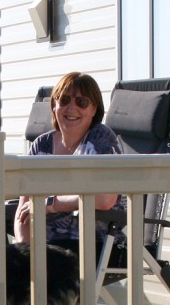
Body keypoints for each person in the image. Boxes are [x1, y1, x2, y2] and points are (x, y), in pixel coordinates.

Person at [13, 72, 127, 265]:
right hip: (44, 244)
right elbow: (23, 210)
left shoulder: (100, 140)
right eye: (64, 100)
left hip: (96, 243)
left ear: (94, 109)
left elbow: (105, 199)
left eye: (81, 102)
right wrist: (25, 250)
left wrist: (51, 204)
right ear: (54, 106)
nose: (71, 108)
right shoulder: (42, 145)